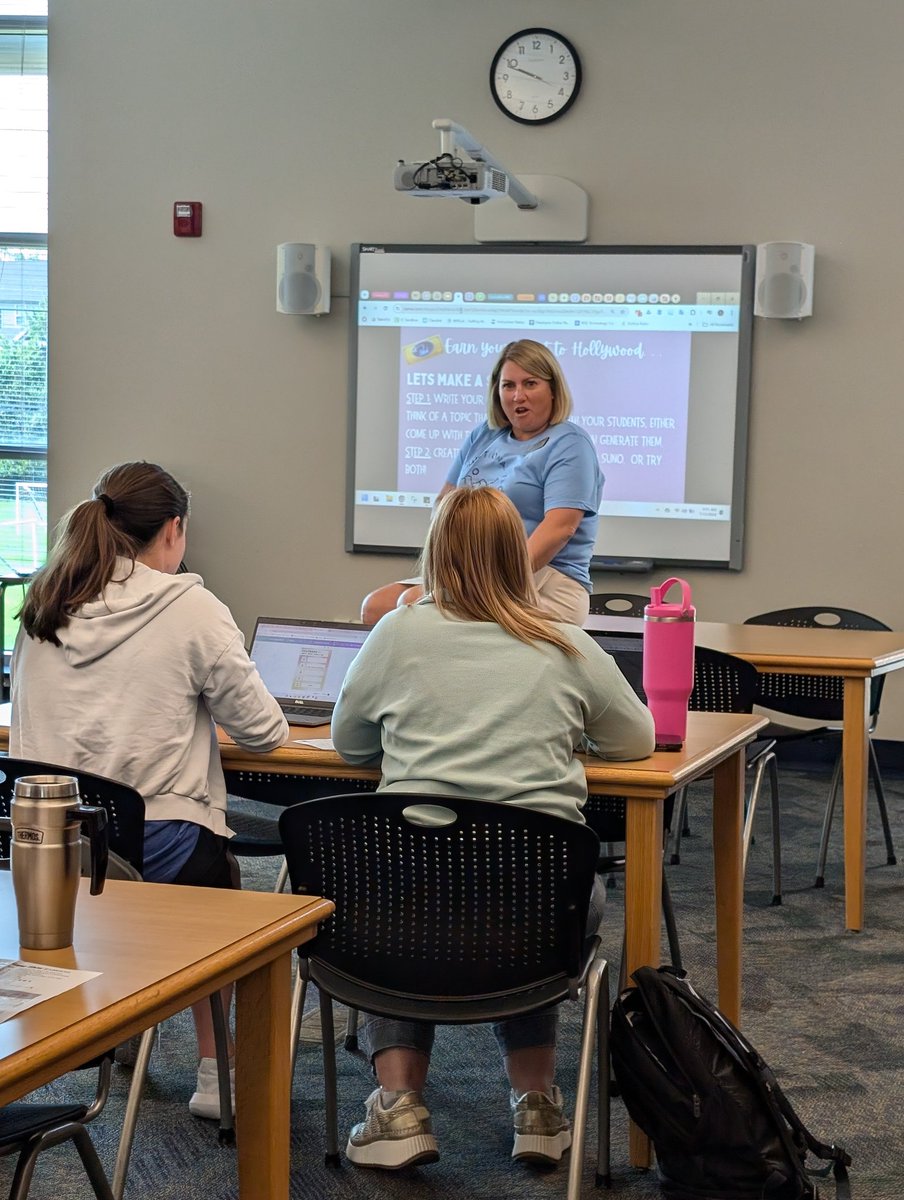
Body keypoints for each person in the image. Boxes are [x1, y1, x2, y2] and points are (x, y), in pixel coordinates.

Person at [333, 485, 654, 1172]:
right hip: (537, 913)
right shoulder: (564, 641)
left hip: (407, 909)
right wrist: (566, 737)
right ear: (518, 554)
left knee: (397, 885)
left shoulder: (396, 632)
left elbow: (350, 744)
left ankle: (397, 1107)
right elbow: (635, 741)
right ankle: (537, 1105)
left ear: (434, 554)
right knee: (534, 888)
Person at [10, 461, 289, 1119]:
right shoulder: (190, 606)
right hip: (155, 848)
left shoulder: (42, 603)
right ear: (173, 529)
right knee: (219, 884)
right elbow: (264, 732)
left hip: (49, 854)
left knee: (138, 871)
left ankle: (119, 1024)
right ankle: (217, 1075)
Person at [360, 338, 603, 627]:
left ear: (553, 390)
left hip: (543, 577)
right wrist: (452, 569)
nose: (518, 396)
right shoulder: (484, 435)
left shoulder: (570, 443)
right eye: (508, 386)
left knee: (412, 605)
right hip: (471, 571)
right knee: (376, 606)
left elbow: (561, 528)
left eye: (530, 384)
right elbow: (444, 504)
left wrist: (492, 579)